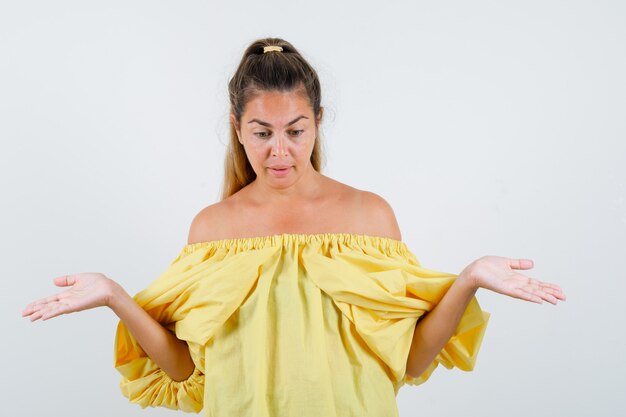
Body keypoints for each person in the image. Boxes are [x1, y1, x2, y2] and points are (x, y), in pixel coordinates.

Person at [22, 37, 566, 417]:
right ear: (237, 129)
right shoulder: (211, 230)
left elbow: (413, 359)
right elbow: (187, 372)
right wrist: (117, 297)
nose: (279, 151)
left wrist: (468, 277)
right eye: (261, 132)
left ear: (318, 122)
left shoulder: (369, 216)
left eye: (295, 130)